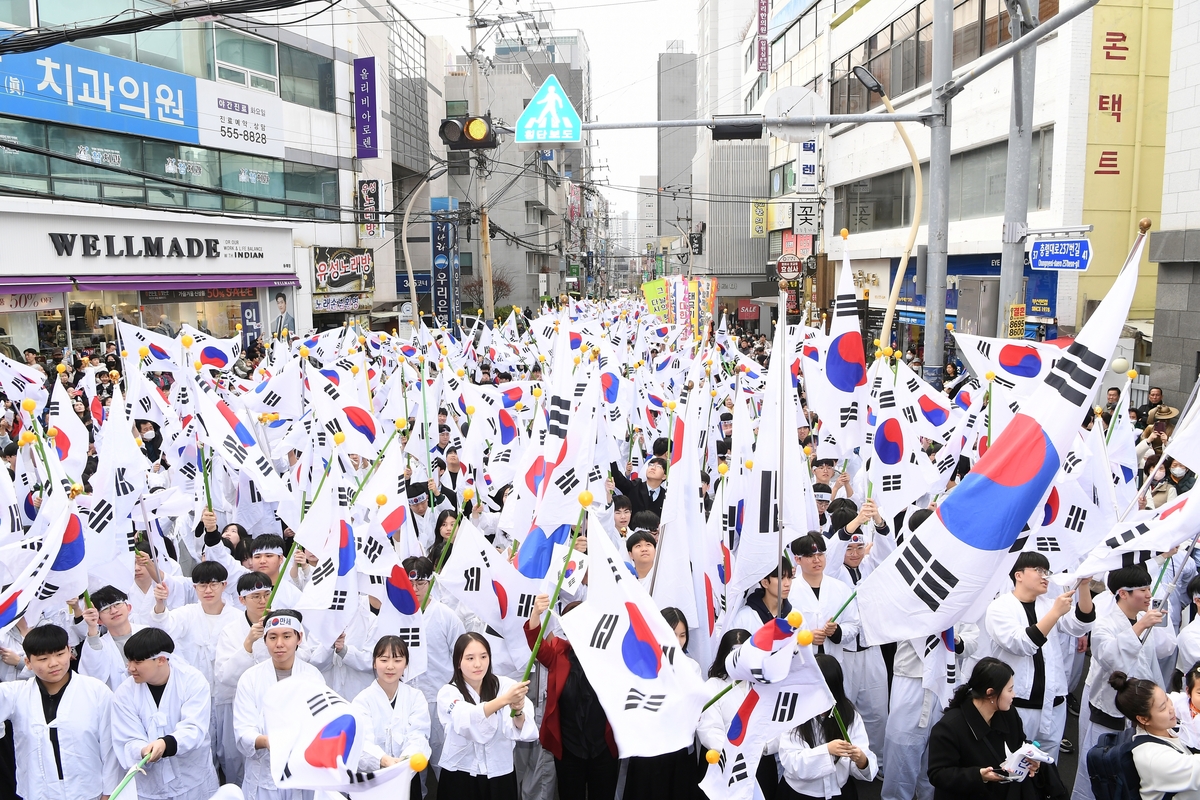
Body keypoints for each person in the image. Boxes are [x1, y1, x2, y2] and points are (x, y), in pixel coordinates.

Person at [1072, 565, 1178, 800]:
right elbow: (1111, 659)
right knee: (1099, 769)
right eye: (1143, 589)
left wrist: (1162, 698)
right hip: (1109, 711)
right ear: (1123, 593)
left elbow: (1151, 667)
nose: (1150, 594)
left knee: (1129, 776)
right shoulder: (1105, 623)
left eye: (1149, 588)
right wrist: (1139, 627)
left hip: (1139, 711)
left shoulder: (1143, 618)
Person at [984, 552, 1095, 760]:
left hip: (1053, 705)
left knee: (1046, 770)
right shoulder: (999, 607)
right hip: (1016, 706)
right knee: (1011, 765)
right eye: (1039, 570)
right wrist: (1054, 613)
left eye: (1047, 572)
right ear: (1019, 575)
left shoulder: (1047, 604)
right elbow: (1021, 644)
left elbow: (1081, 625)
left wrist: (1084, 585)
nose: (1046, 576)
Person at [0, 624, 122, 800]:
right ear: (28, 662)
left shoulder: (96, 691)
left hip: (88, 792)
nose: (53, 663)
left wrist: (110, 792)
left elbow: (110, 747)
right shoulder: (15, 693)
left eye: (59, 654)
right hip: (37, 792)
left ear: (69, 651)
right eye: (43, 659)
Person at [523, 594, 620, 800]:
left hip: (604, 747)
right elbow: (536, 644)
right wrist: (535, 614)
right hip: (569, 748)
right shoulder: (558, 653)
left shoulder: (609, 656)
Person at [110, 628, 219, 800]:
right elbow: (127, 737)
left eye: (137, 662)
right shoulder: (125, 692)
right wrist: (142, 749)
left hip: (193, 782)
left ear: (161, 660)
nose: (131, 668)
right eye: (129, 661)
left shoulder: (192, 681)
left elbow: (194, 728)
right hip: (150, 788)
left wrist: (166, 744)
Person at [234, 609, 327, 800]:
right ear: (265, 640)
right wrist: (268, 742)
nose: (279, 644)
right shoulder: (250, 679)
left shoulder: (312, 677)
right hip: (263, 778)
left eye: (286, 636)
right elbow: (243, 731)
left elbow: (322, 722)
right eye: (273, 637)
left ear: (299, 638)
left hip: (303, 775)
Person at [436, 632, 539, 798]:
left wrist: (518, 710)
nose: (478, 664)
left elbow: (521, 729)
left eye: (483, 657)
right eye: (470, 658)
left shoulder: (506, 685)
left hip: (499, 773)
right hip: (460, 772)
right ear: (458, 663)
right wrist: (504, 700)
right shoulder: (448, 693)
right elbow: (466, 720)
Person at [927, 657, 1042, 799]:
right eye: (1010, 690)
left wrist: (1030, 760)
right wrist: (979, 776)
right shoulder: (949, 727)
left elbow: (1020, 743)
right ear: (990, 693)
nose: (1014, 695)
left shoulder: (1008, 713)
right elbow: (938, 774)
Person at [779, 654, 878, 798]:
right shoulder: (793, 714)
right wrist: (827, 750)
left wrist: (862, 761)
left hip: (838, 789)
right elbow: (791, 761)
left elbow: (861, 755)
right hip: (801, 793)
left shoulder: (848, 714)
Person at [700, 629, 780, 799]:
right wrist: (733, 751)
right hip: (724, 764)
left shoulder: (766, 686)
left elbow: (777, 725)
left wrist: (762, 746)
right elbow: (709, 729)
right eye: (734, 655)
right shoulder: (713, 686)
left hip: (760, 762)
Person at [352, 636, 431, 798]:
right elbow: (361, 742)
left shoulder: (416, 697)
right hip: (372, 779)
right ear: (374, 663)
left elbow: (419, 735)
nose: (390, 666)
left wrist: (403, 762)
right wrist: (383, 760)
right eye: (384, 659)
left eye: (397, 660)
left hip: (407, 777)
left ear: (406, 664)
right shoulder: (362, 700)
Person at [1109, 670, 1200, 797]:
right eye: (1163, 707)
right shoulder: (1152, 757)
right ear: (1143, 719)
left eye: (1167, 699)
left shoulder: (1163, 728)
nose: (1171, 708)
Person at [79, 585, 144, 691]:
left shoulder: (146, 632)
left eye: (117, 604)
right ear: (99, 620)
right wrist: (92, 626)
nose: (113, 611)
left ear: (129, 607)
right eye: (105, 608)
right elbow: (93, 675)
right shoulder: (100, 645)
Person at [731, 559, 795, 632]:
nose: (787, 584)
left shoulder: (796, 616)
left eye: (790, 577)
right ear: (765, 583)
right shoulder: (744, 617)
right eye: (781, 578)